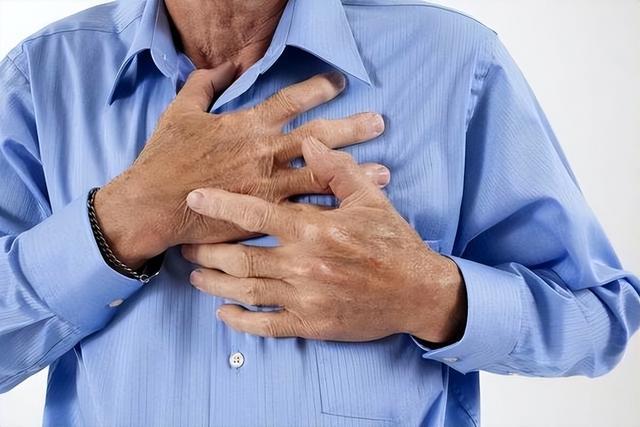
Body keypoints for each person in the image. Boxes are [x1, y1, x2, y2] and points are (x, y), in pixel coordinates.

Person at [0, 0, 638, 425]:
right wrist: (125, 216)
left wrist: (426, 295)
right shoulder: (43, 76)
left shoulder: (456, 60)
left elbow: (596, 318)